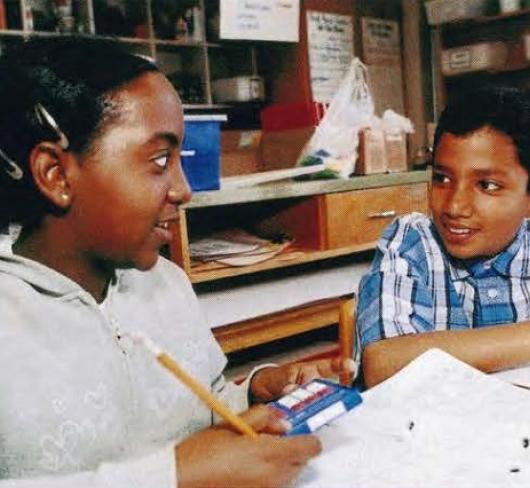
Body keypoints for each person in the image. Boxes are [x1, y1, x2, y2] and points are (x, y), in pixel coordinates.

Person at [0, 36, 350, 487]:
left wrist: (256, 390)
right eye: (160, 159)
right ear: (55, 173)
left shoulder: (166, 283)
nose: (184, 190)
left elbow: (202, 409)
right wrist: (172, 477)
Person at [357, 85, 530, 388]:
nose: (454, 206)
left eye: (487, 185)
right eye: (442, 178)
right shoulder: (413, 243)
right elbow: (382, 364)